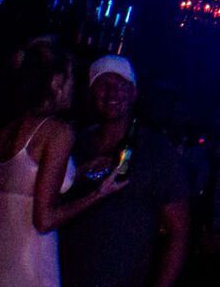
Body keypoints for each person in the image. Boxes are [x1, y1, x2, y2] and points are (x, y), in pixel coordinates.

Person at [0, 39, 127, 287]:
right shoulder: (57, 132)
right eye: (72, 78)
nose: (75, 87)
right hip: (27, 266)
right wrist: (99, 193)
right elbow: (44, 219)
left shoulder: (4, 130)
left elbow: (19, 182)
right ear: (56, 82)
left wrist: (80, 170)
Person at [59, 55, 190, 287]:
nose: (112, 93)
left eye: (121, 85)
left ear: (134, 93)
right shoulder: (73, 143)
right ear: (91, 93)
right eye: (103, 85)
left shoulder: (157, 151)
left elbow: (178, 231)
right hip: (62, 277)